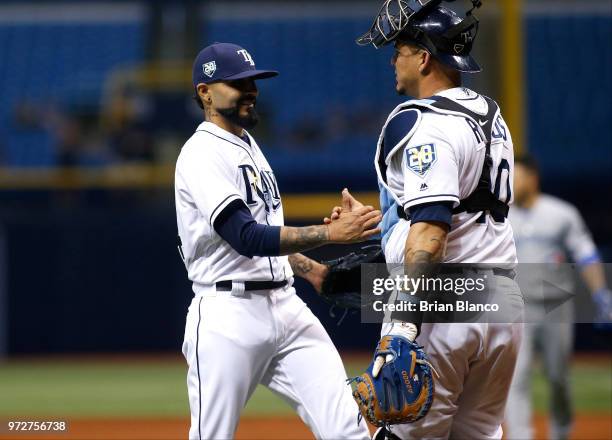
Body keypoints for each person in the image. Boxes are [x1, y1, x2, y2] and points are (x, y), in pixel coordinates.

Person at [338, 1, 524, 438]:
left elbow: (431, 233)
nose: (393, 60)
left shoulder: (424, 123)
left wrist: (403, 326)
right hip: (503, 303)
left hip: (442, 307)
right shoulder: (492, 116)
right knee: (479, 434)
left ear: (423, 58)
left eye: (400, 50)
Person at [174, 42, 376, 440]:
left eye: (254, 80)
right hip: (228, 314)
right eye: (237, 82)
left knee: (347, 430)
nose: (250, 89)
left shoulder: (248, 145)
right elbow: (246, 236)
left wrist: (311, 270)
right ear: (205, 92)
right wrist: (331, 235)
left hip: (286, 306)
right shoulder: (200, 153)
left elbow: (264, 233)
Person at [505, 155, 612, 440]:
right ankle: (520, 436)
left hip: (556, 308)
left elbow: (586, 255)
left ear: (533, 178)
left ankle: (561, 433)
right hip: (518, 309)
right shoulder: (501, 215)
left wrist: (601, 294)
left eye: (517, 176)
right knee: (515, 378)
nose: (512, 182)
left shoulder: (561, 213)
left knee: (558, 378)